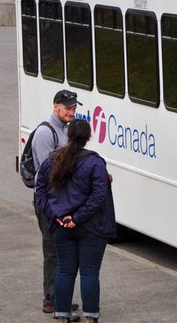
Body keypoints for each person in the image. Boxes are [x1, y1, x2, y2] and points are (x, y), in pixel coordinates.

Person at [35, 118, 116, 323]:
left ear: (68, 135)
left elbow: (40, 191)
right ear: (88, 138)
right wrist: (77, 218)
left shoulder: (53, 160)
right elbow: (99, 195)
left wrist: (57, 215)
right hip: (91, 228)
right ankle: (91, 316)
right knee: (89, 273)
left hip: (61, 227)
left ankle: (61, 315)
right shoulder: (95, 162)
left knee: (64, 270)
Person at [33, 89, 81, 317]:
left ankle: (60, 296)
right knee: (52, 249)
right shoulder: (45, 132)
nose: (72, 112)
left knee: (62, 249)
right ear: (56, 107)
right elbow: (47, 172)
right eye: (68, 108)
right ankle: (51, 299)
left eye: (74, 108)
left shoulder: (65, 130)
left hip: (61, 197)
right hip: (49, 199)